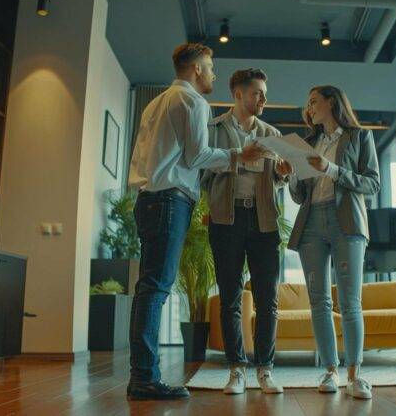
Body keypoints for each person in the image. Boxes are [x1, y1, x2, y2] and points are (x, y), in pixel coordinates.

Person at [126, 43, 264, 401]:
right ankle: (144, 378)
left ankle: (142, 375)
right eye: (211, 68)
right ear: (197, 69)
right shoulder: (193, 102)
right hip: (170, 199)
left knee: (148, 289)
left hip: (148, 199)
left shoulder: (155, 101)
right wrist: (239, 155)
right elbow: (198, 155)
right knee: (154, 290)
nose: (214, 75)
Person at [202, 68, 293, 395]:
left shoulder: (272, 133)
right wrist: (239, 159)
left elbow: (278, 181)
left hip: (264, 220)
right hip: (226, 218)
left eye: (264, 93)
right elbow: (201, 172)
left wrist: (283, 175)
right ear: (238, 94)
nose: (264, 99)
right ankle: (236, 369)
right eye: (257, 93)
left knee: (268, 300)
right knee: (230, 298)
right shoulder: (213, 129)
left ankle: (265, 370)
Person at [287, 85, 380, 400]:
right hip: (312, 223)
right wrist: (292, 175)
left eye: (314, 101)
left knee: (351, 303)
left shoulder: (358, 136)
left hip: (347, 223)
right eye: (308, 103)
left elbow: (372, 183)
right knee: (319, 303)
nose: (310, 108)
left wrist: (334, 170)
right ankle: (330, 370)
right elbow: (300, 196)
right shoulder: (308, 143)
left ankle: (355, 374)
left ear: (332, 102)